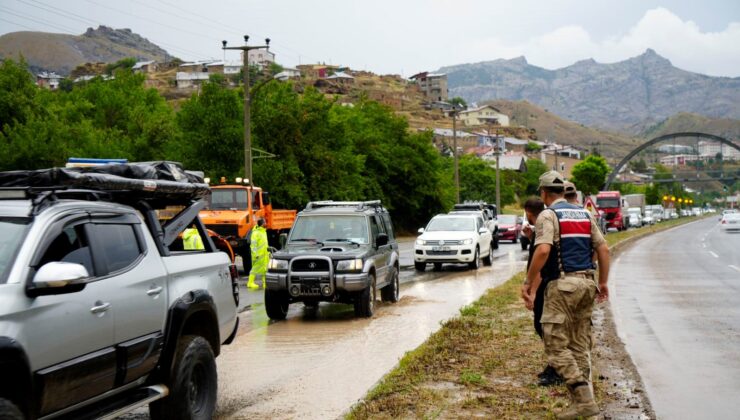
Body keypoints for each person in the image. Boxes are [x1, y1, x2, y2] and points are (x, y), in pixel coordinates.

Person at [524, 171, 610, 420]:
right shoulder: (584, 213)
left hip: (563, 285)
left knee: (554, 345)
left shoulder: (547, 215)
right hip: (587, 284)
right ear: (562, 191)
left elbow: (542, 250)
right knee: (579, 345)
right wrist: (603, 282)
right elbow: (603, 248)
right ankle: (586, 404)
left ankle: (583, 399)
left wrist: (529, 282)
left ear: (543, 193)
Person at [520, 197, 563, 386]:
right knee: (545, 326)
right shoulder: (541, 229)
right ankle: (555, 365)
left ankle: (557, 369)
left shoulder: (543, 228)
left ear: (528, 213)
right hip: (550, 282)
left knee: (544, 326)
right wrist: (531, 237)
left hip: (546, 283)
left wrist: (533, 291)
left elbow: (542, 260)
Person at [247, 218, 269, 289]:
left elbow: (264, 244)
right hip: (258, 255)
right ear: (262, 224)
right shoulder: (256, 233)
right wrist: (256, 254)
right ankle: (250, 283)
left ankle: (265, 283)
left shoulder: (263, 231)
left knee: (265, 269)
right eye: (265, 222)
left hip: (264, 254)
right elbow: (253, 245)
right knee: (255, 269)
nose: (266, 223)